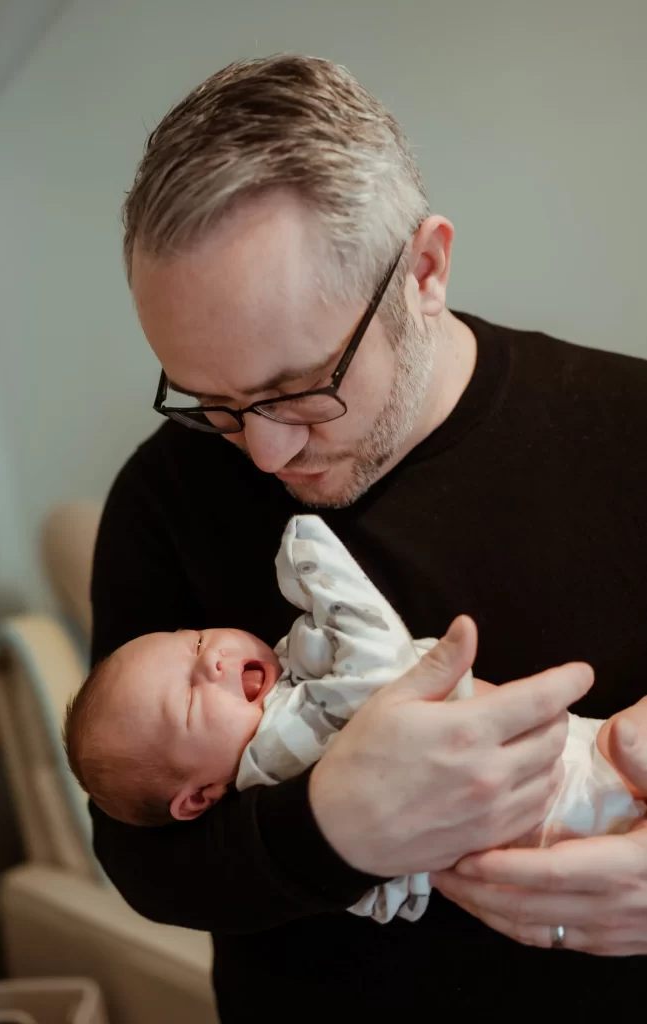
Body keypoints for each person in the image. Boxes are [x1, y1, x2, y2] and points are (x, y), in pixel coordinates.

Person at [90, 54, 647, 1020]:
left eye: (299, 388)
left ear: (423, 270)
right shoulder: (164, 494)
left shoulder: (630, 432)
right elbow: (138, 855)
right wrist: (331, 828)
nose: (262, 452)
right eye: (212, 402)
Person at [69, 513, 645, 926]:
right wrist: (312, 556)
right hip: (565, 806)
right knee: (631, 743)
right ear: (198, 798)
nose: (212, 658)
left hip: (569, 802)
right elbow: (378, 667)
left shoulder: (282, 703)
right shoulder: (275, 752)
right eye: (191, 697)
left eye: (193, 639)